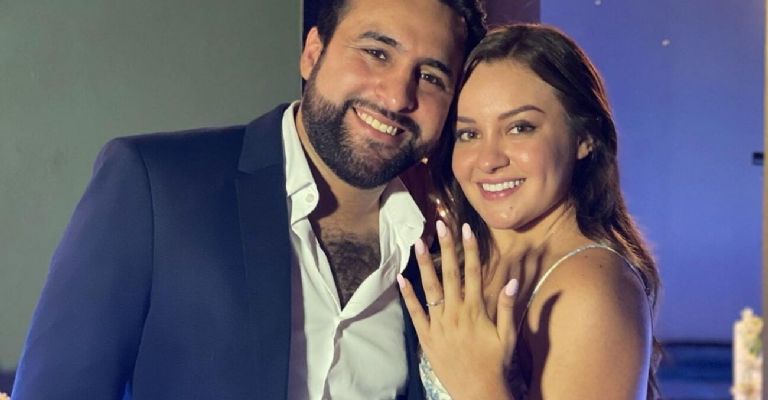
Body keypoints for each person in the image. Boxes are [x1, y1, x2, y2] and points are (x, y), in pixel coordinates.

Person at [12, 0, 486, 398]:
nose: (398, 95)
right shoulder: (154, 185)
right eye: (377, 53)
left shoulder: (440, 262)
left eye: (431, 77)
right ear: (313, 53)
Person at [398, 24, 661, 399]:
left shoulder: (589, 290)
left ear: (584, 138)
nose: (488, 160)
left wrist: (482, 387)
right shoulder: (460, 261)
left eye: (520, 128)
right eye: (468, 134)